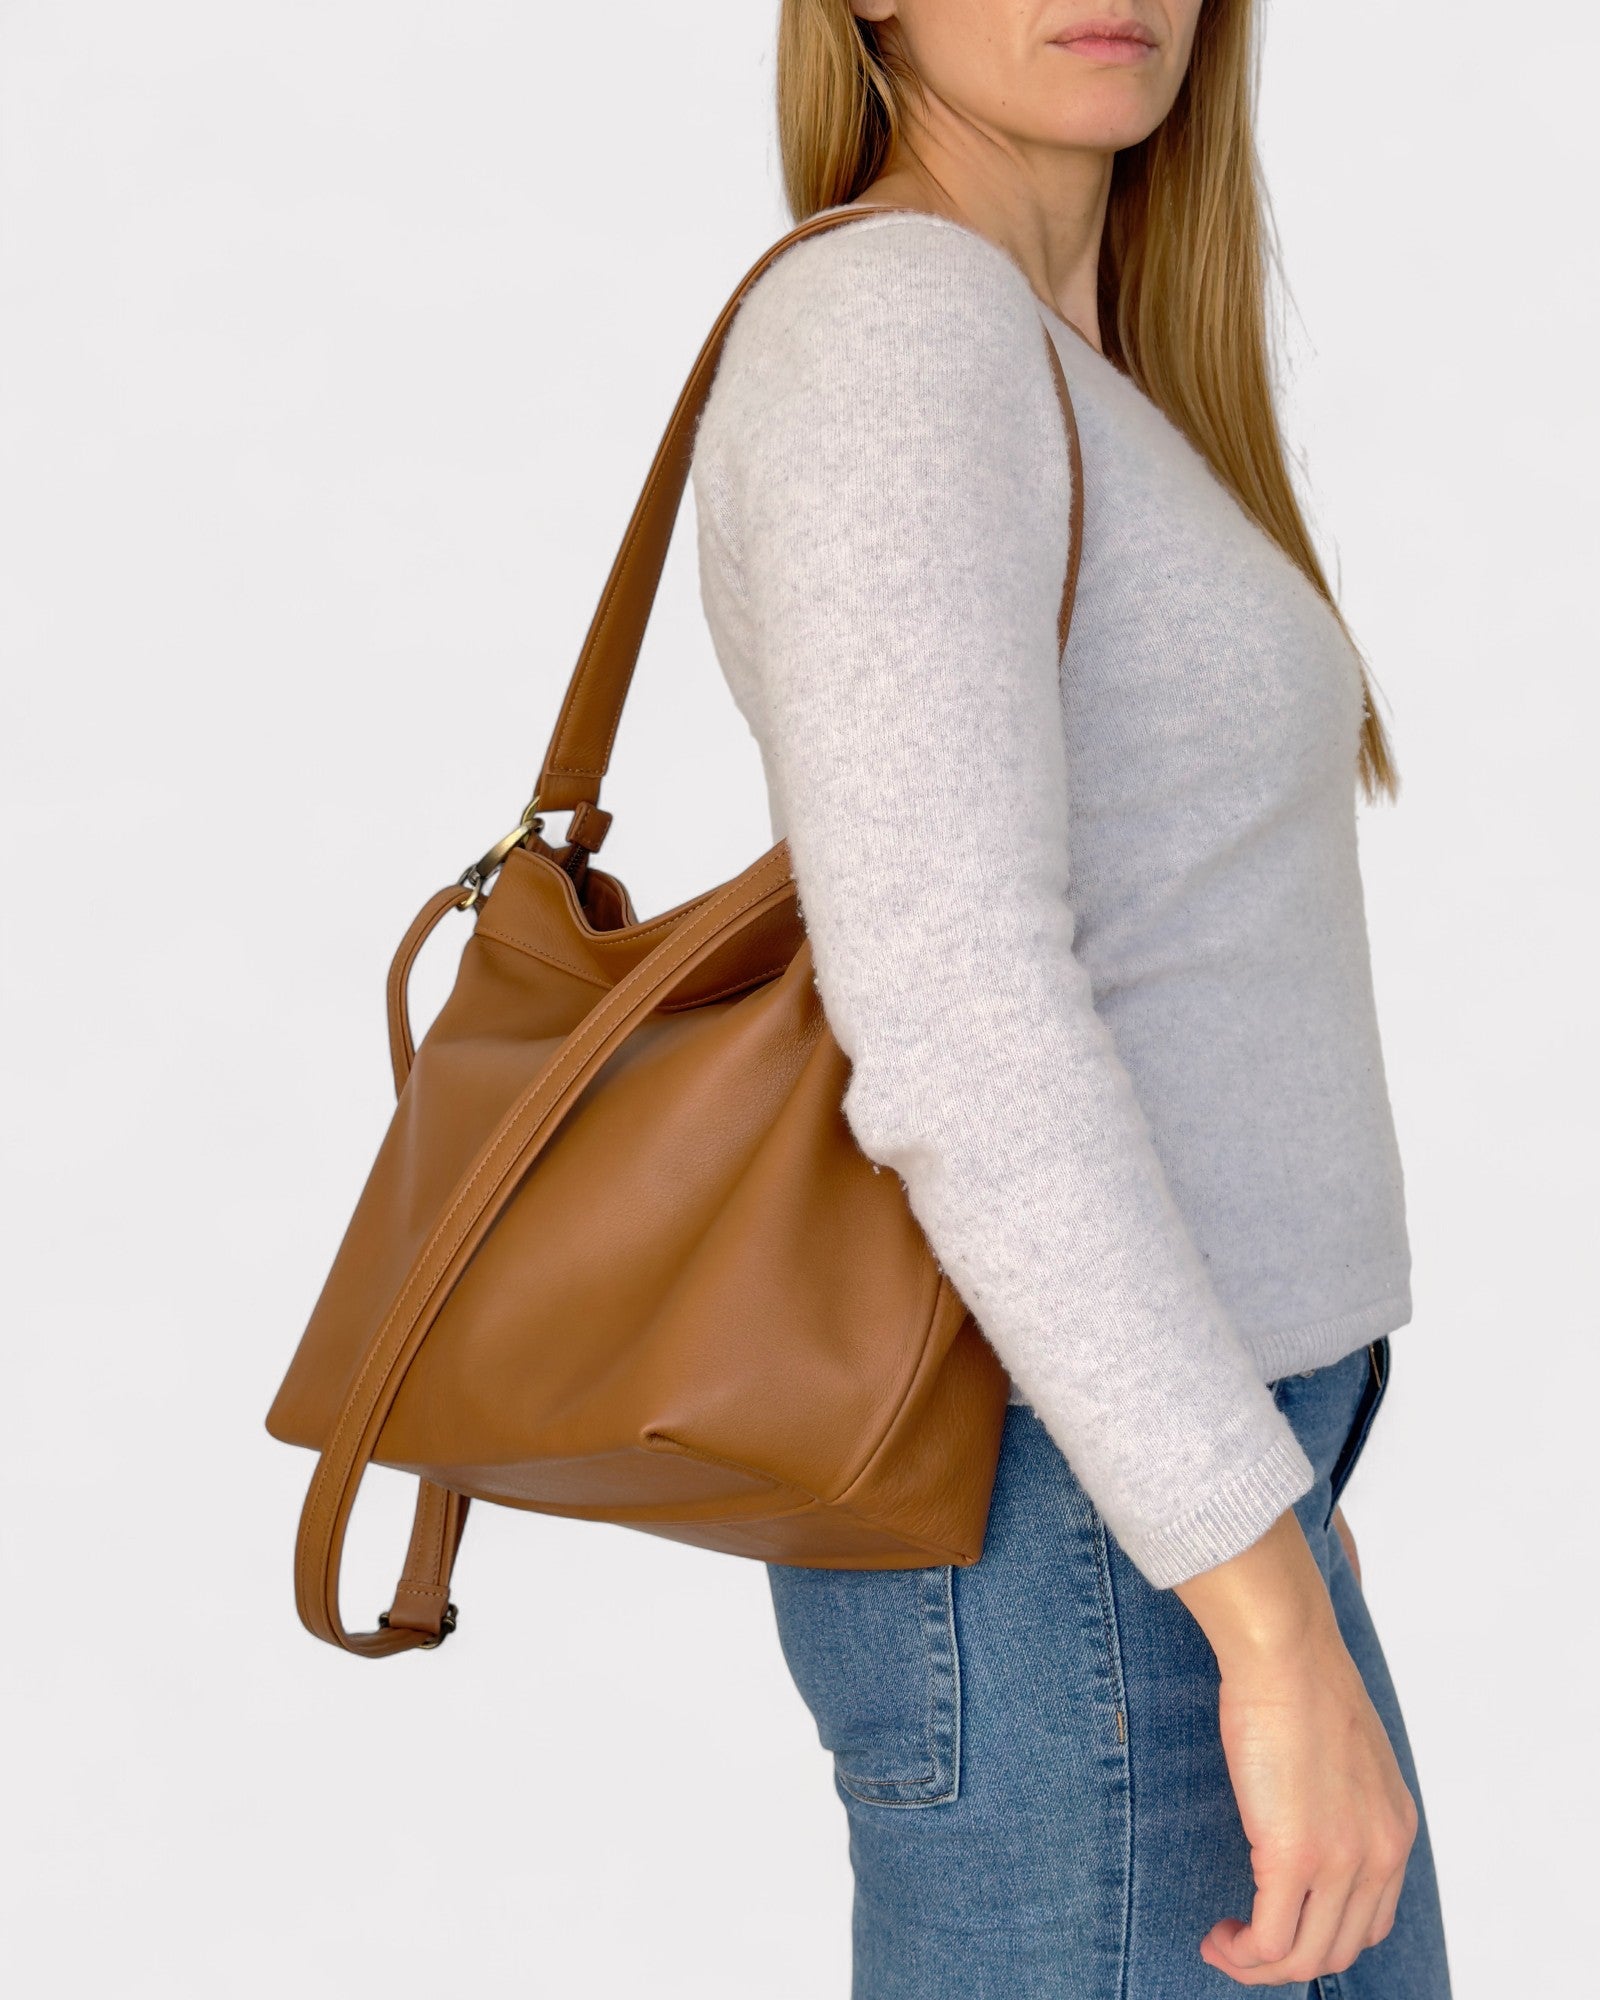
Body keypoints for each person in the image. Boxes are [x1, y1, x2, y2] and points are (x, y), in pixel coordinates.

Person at [686, 3, 1453, 1995]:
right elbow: (953, 1017)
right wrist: (1254, 1605)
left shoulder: (1067, 355)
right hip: (1071, 1536)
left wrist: (1269, 1534)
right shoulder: (893, 335)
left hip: (1174, 1508)